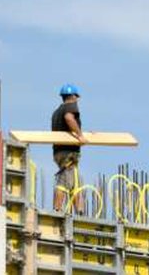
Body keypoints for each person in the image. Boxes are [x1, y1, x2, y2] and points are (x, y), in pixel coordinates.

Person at [51, 83, 87, 213]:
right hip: (68, 153)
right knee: (65, 179)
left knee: (76, 180)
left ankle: (80, 211)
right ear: (72, 96)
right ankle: (57, 209)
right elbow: (69, 118)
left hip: (59, 152)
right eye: (76, 96)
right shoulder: (70, 106)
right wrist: (80, 136)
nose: (77, 99)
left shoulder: (56, 112)